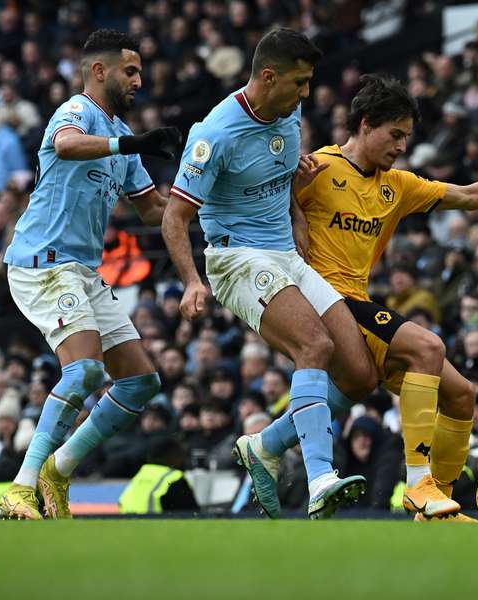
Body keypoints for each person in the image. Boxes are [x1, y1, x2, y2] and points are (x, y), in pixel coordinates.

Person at [286, 74, 478, 522]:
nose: (402, 146)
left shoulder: (396, 185)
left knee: (461, 395)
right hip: (326, 303)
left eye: (407, 137)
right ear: (366, 124)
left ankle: (435, 506)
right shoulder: (317, 169)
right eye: (395, 134)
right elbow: (264, 207)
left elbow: (468, 195)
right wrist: (293, 202)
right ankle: (418, 482)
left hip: (359, 307)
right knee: (428, 345)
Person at [162, 28, 371, 519]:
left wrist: (296, 212)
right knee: (314, 346)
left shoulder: (287, 111)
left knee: (360, 375)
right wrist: (193, 281)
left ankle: (264, 446)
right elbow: (175, 216)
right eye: (298, 83)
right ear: (268, 76)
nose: (305, 95)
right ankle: (321, 477)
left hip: (286, 257)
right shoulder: (214, 134)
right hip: (237, 260)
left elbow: (279, 178)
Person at [0, 30, 181, 520]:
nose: (139, 80)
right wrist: (131, 140)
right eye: (131, 71)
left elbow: (153, 211)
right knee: (84, 372)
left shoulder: (121, 139)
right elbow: (69, 146)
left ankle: (59, 468)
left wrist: (210, 201)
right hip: (43, 263)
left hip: (80, 271)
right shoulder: (75, 112)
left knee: (141, 382)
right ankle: (20, 486)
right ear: (99, 71)